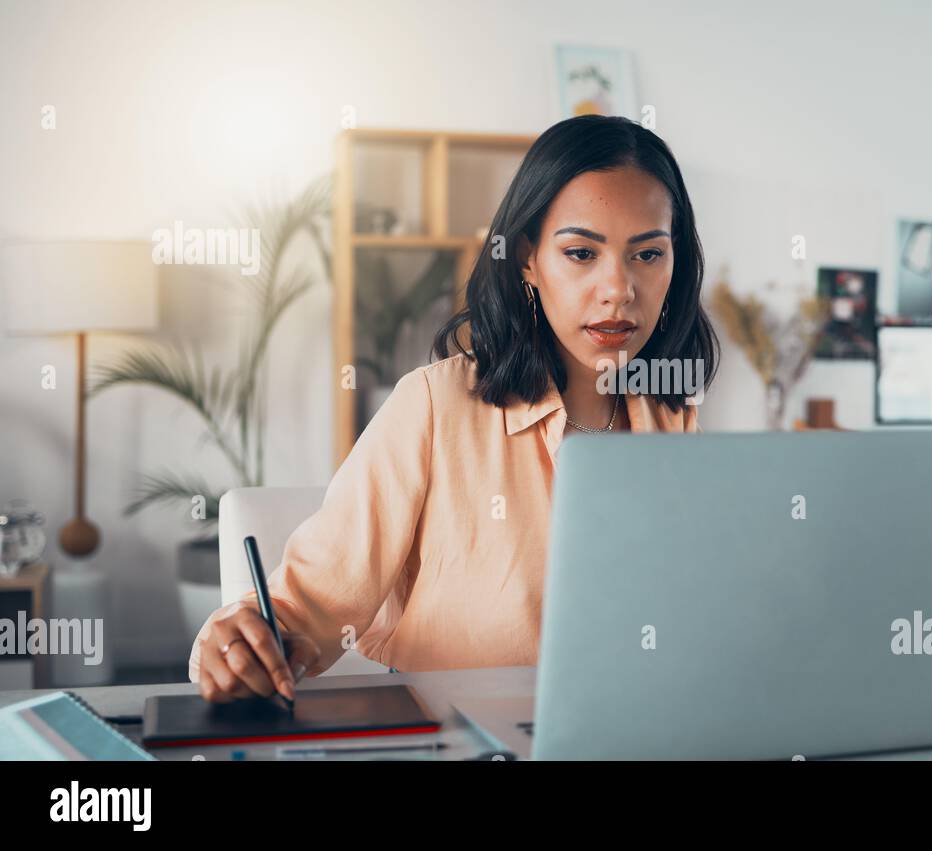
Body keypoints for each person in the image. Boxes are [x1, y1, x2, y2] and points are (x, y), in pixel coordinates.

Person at [190, 115, 719, 703]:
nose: (619, 288)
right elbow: (306, 610)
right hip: (458, 741)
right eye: (580, 253)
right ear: (526, 259)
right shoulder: (434, 407)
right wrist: (244, 645)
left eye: (647, 255)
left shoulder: (675, 423)